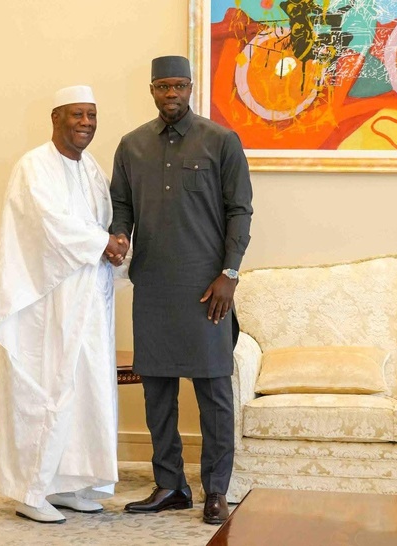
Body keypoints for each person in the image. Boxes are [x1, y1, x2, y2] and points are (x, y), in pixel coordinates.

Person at [110, 55, 253, 525]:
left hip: (207, 289)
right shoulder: (131, 146)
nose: (171, 95)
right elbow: (121, 205)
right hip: (152, 286)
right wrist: (119, 237)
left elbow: (240, 212)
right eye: (162, 87)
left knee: (214, 394)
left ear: (191, 87)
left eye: (178, 86)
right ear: (151, 89)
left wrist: (229, 274)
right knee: (157, 394)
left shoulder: (220, 140)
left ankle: (216, 490)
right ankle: (170, 484)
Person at [0, 85, 126, 524]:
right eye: (77, 114)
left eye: (92, 115)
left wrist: (118, 242)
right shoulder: (33, 167)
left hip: (88, 303)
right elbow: (48, 227)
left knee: (85, 390)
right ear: (55, 117)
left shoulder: (90, 169)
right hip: (45, 307)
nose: (86, 122)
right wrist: (104, 242)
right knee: (47, 389)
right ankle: (31, 489)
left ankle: (65, 483)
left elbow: (102, 221)